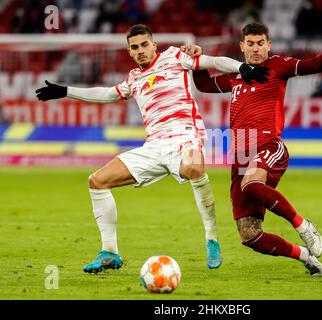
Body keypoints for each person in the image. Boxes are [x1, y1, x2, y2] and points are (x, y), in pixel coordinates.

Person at [35, 24, 268, 274]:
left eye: (145, 45)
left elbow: (213, 60)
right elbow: (107, 94)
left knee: (193, 167)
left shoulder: (175, 57)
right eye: (135, 47)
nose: (141, 50)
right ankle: (109, 252)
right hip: (154, 146)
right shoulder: (134, 79)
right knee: (97, 181)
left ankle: (212, 239)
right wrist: (66, 91)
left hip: (185, 136)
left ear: (154, 45)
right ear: (130, 52)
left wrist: (240, 67)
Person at [191, 22, 322, 276]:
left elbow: (316, 65)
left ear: (268, 45)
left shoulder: (278, 66)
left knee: (251, 184)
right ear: (242, 46)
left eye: (260, 43)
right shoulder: (236, 75)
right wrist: (197, 60)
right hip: (241, 157)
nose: (255, 48)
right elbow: (204, 85)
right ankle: (304, 256)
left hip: (269, 145)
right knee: (249, 235)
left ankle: (303, 225)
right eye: (250, 44)